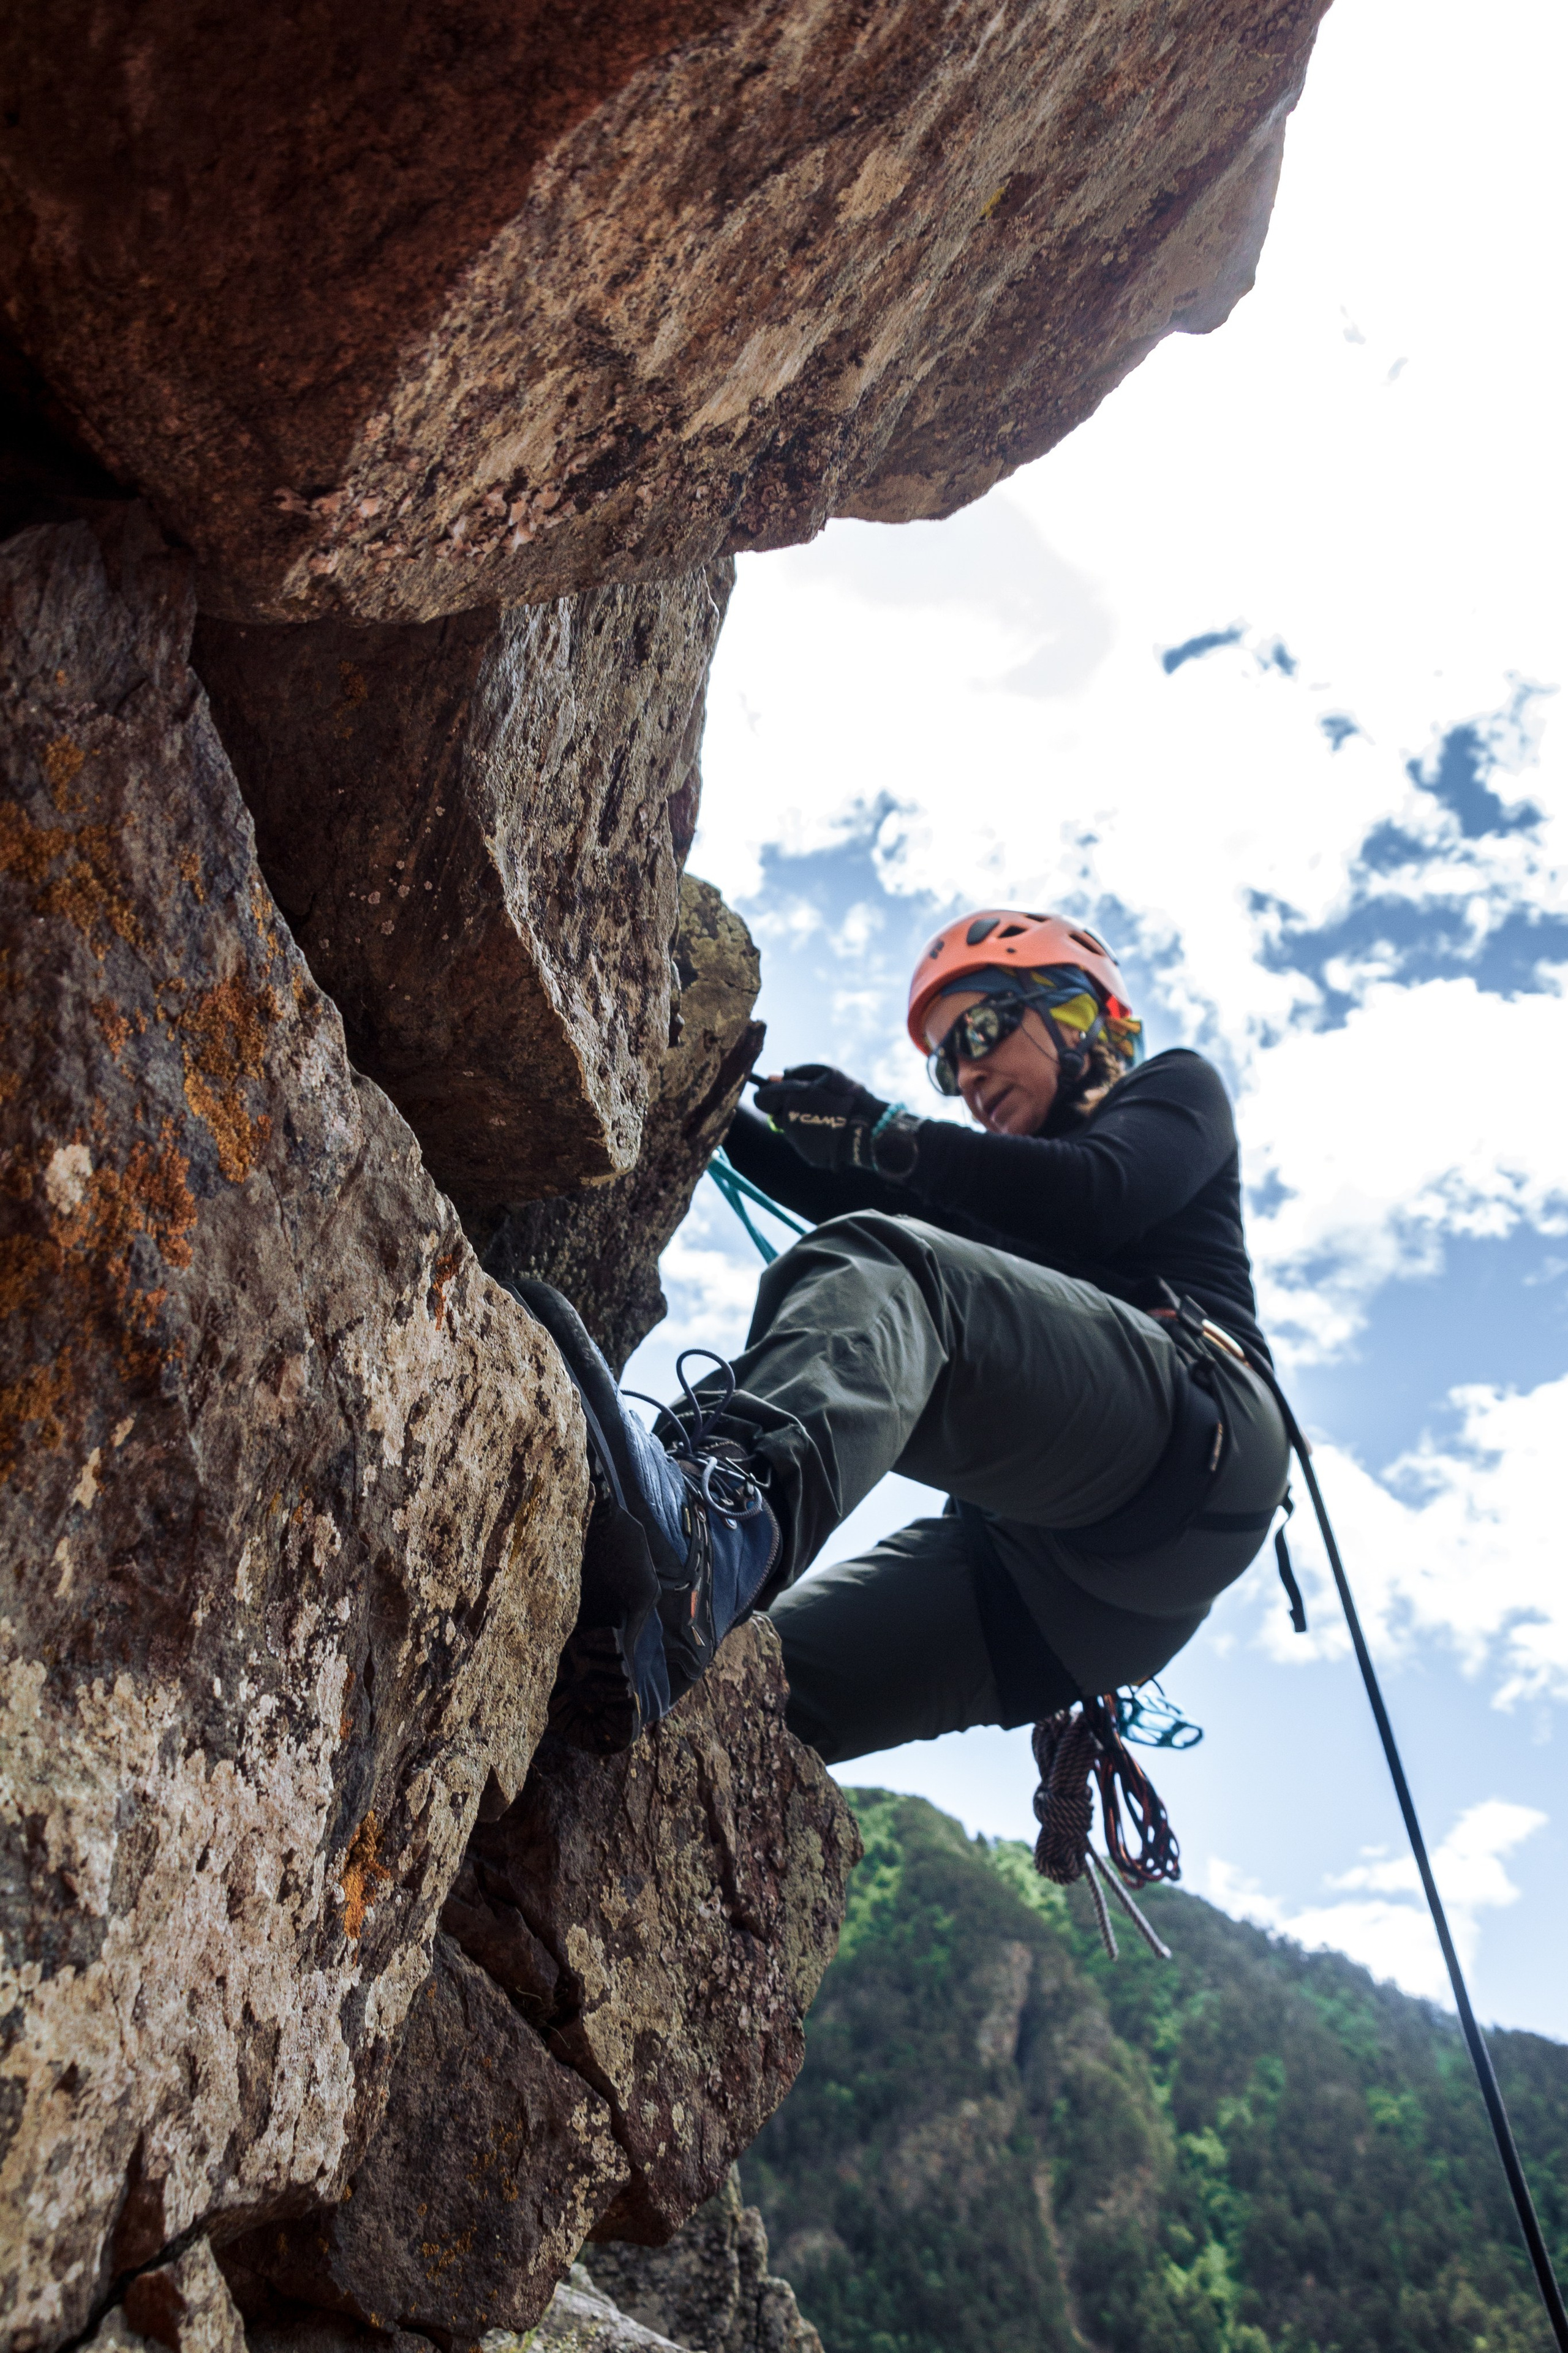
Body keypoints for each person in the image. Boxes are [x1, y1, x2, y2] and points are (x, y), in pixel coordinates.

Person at [512, 910, 1289, 1762]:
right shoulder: (1003, 1203)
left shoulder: (1174, 1089)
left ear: (1076, 1014)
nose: (968, 1069)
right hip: (1069, 1602)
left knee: (886, 1264)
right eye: (947, 1063)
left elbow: (1104, 1191)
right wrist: (716, 1101)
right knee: (729, 1697)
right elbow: (882, 1202)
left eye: (983, 1029)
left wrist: (885, 1135)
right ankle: (650, 1624)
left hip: (1198, 1435)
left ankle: (719, 1514)